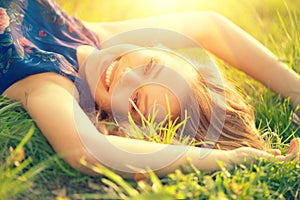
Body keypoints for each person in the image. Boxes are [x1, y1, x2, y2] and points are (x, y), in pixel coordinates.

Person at [0, 0, 299, 177]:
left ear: (115, 123)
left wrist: (232, 159)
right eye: (149, 66)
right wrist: (295, 89)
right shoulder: (97, 38)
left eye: (135, 100)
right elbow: (210, 26)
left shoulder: (46, 81)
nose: (125, 74)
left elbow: (86, 149)